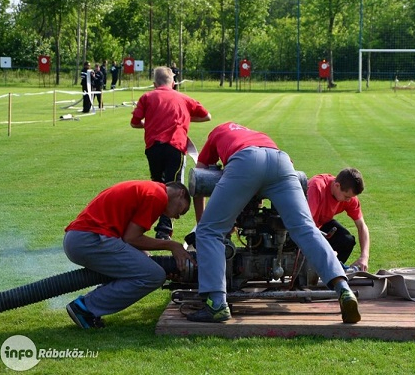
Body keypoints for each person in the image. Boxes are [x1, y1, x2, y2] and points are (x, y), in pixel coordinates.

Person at [187, 122, 361, 324]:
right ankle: (342, 287)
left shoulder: (219, 131)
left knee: (210, 231)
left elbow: (199, 179)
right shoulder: (258, 134)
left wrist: (203, 223)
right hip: (282, 161)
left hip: (246, 160)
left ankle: (216, 304)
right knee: (306, 229)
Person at [64, 180, 194, 329]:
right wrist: (171, 245)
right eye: (183, 210)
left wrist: (153, 263)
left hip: (83, 238)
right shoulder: (158, 196)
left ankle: (86, 307)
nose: (178, 217)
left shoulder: (151, 190)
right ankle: (85, 308)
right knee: (153, 275)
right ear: (180, 193)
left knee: (146, 268)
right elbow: (132, 238)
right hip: (89, 239)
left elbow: (129, 240)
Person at [130, 66, 211, 240]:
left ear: (154, 83)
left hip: (153, 148)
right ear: (173, 83)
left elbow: (135, 123)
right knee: (173, 186)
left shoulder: (147, 97)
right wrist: (185, 119)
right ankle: (164, 229)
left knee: (157, 185)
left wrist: (151, 124)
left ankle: (150, 224)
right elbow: (207, 116)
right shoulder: (183, 98)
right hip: (174, 146)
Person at [307, 168, 370, 271]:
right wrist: (326, 250)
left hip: (320, 223)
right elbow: (306, 225)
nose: (349, 200)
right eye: (346, 197)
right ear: (337, 185)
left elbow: (362, 226)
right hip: (302, 225)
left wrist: (364, 256)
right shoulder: (317, 187)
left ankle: (330, 272)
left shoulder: (349, 197)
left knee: (347, 240)